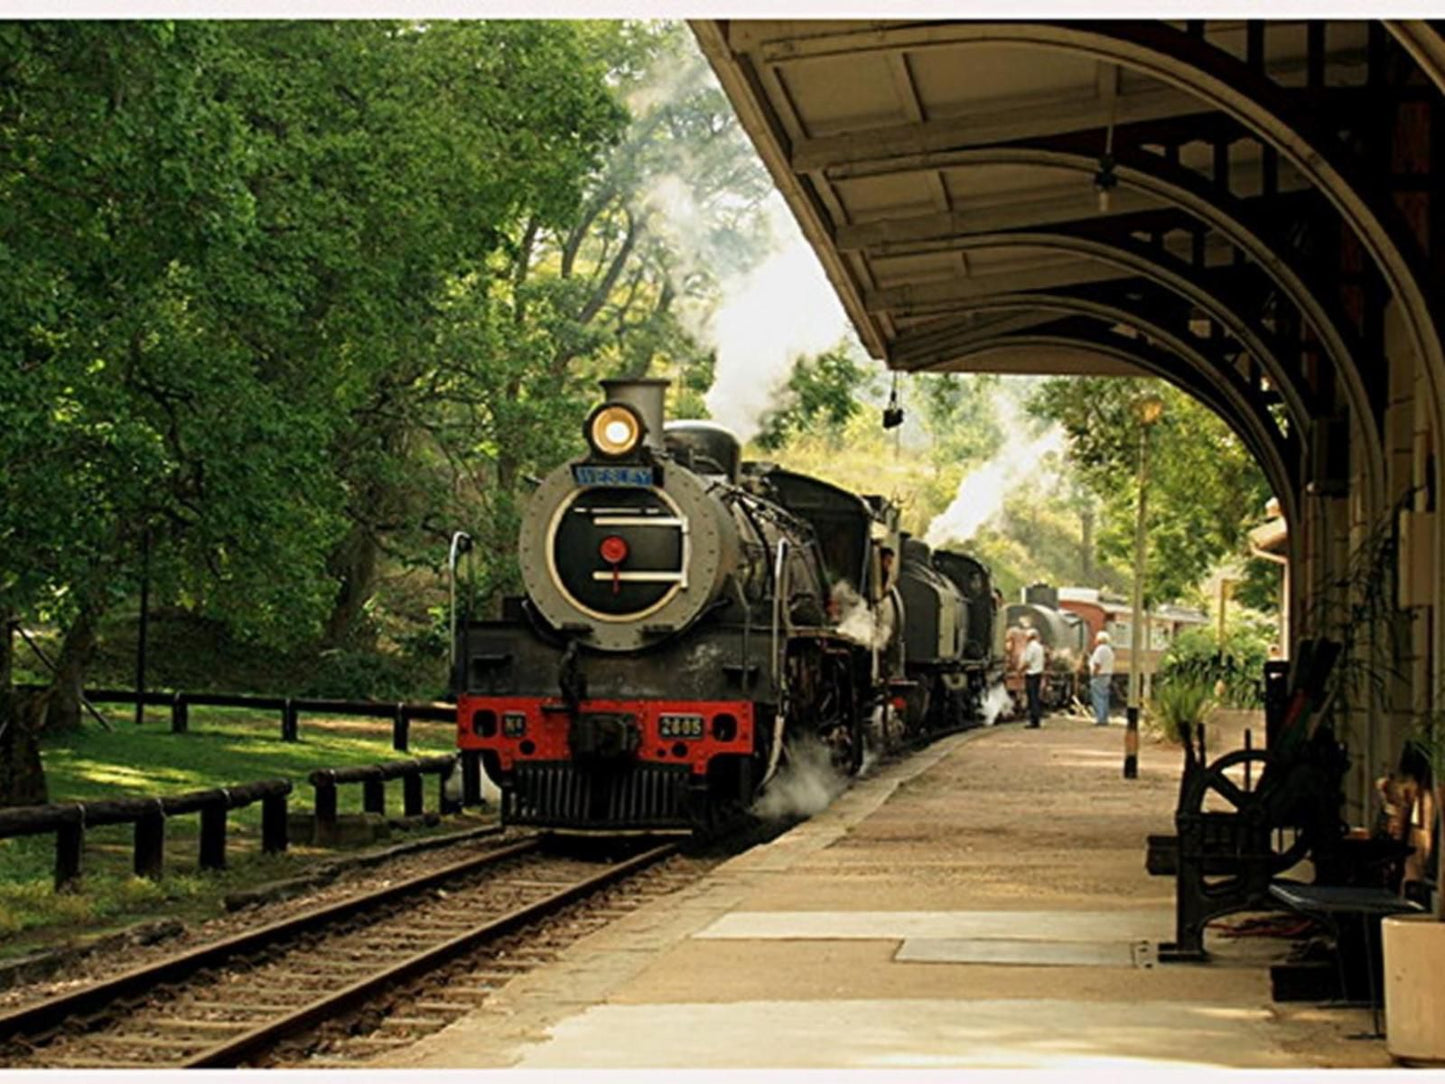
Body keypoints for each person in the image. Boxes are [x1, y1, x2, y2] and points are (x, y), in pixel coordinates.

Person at [1089, 631, 1115, 726]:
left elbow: (1097, 663)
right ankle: (1104, 718)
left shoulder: (1100, 650)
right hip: (1107, 675)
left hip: (1099, 675)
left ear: (1099, 640)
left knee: (1098, 698)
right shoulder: (1109, 650)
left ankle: (1100, 719)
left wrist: (1094, 674)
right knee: (1104, 697)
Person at [1021, 628, 1045, 728]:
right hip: (1038, 674)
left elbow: (1027, 661)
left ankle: (1033, 721)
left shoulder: (1031, 647)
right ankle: (1036, 720)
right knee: (1036, 697)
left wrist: (1019, 670)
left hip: (1031, 674)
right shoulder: (1040, 647)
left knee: (1032, 698)